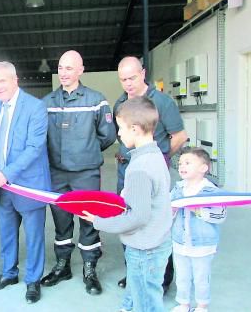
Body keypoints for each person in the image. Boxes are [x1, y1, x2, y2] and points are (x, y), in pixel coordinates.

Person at [82, 96, 172, 312]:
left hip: (144, 249)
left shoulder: (140, 168)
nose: (118, 133)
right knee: (141, 287)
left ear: (135, 129)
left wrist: (99, 222)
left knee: (148, 303)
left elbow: (138, 217)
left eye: (120, 128)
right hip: (158, 241)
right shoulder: (155, 154)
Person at [41, 50, 116, 295]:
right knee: (61, 222)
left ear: (81, 70)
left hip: (86, 173)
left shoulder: (96, 100)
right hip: (57, 174)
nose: (63, 73)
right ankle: (62, 265)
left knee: (89, 220)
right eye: (61, 68)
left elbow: (107, 135)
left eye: (69, 68)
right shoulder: (48, 102)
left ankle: (89, 267)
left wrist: (86, 152)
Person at [114, 56, 187, 292]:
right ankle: (134, 273)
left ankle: (161, 279)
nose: (128, 83)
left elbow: (179, 136)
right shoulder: (121, 103)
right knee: (128, 220)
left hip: (152, 173)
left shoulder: (162, 102)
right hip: (126, 171)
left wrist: (159, 158)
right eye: (123, 79)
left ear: (143, 73)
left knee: (156, 224)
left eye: (132, 77)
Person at [0, 61, 51, 304]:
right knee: (7, 234)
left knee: (34, 236)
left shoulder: (36, 107)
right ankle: (9, 273)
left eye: (3, 81)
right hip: (2, 187)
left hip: (28, 185)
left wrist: (7, 173)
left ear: (15, 80)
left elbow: (34, 148)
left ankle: (32, 280)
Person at [170, 147, 226, 312]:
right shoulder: (178, 188)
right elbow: (168, 208)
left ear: (203, 168)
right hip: (180, 241)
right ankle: (183, 303)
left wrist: (199, 211)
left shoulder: (212, 191)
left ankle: (202, 306)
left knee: (201, 277)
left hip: (203, 244)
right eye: (180, 163)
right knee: (182, 276)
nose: (182, 166)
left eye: (188, 163)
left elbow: (221, 215)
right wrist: (171, 209)